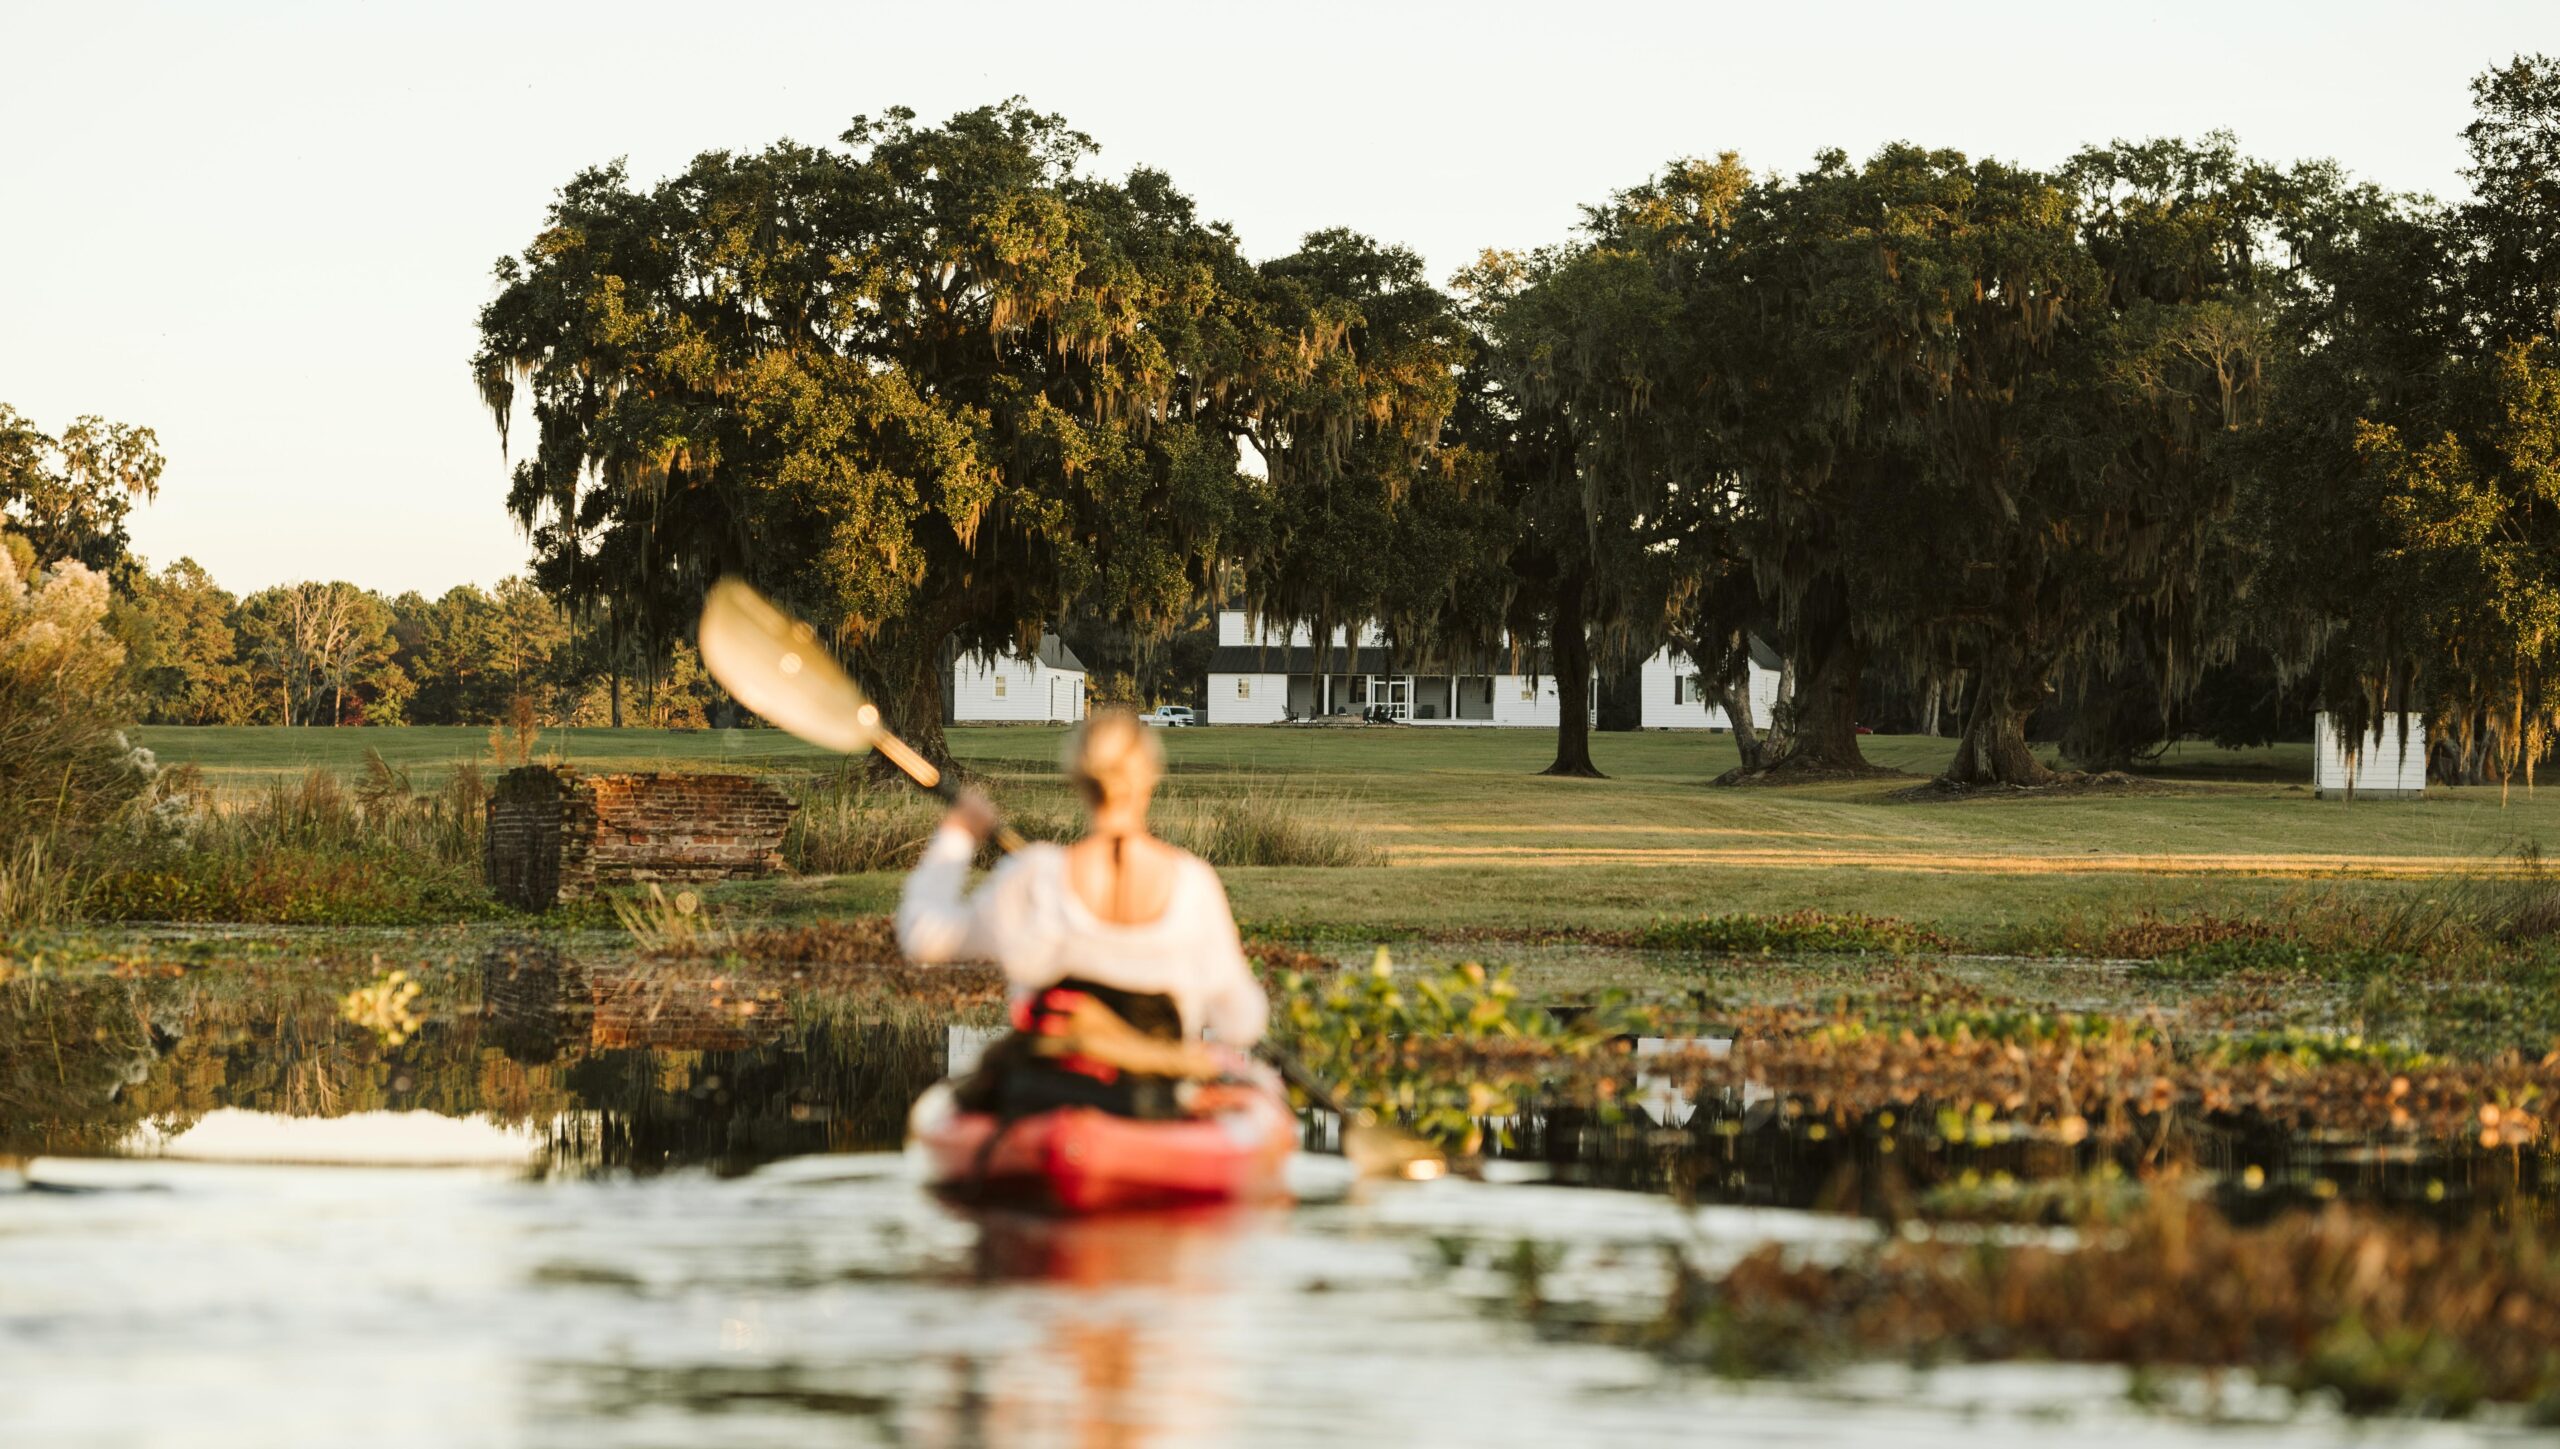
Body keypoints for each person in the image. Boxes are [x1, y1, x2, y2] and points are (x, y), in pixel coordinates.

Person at [896, 709, 1269, 1117]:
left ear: (1078, 779)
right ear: (1150, 777)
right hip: (1150, 1103)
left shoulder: (1036, 875)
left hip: (1044, 1097)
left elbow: (923, 936)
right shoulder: (1194, 884)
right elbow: (1241, 1023)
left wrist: (957, 835)